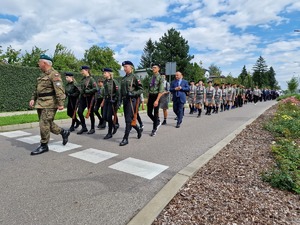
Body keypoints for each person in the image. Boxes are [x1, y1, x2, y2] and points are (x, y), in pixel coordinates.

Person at [29, 54, 70, 155]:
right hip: (40, 103)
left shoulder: (54, 74)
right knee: (48, 124)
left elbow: (59, 89)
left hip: (50, 103)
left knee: (44, 124)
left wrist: (61, 103)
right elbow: (37, 89)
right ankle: (63, 132)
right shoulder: (42, 76)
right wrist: (33, 99)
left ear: (45, 63)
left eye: (39, 62)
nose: (38, 64)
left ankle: (44, 145)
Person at [119, 61, 143, 146]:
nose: (124, 68)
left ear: (131, 67)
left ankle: (125, 138)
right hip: (125, 100)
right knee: (128, 119)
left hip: (132, 100)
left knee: (128, 120)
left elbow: (141, 89)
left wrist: (132, 93)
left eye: (126, 66)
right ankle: (138, 129)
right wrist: (119, 102)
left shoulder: (135, 77)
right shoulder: (123, 78)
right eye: (124, 67)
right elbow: (121, 92)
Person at [77, 66, 97, 135]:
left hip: (90, 98)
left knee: (91, 113)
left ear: (87, 70)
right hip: (83, 98)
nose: (81, 72)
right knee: (79, 112)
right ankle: (84, 127)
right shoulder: (83, 79)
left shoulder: (91, 79)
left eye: (82, 70)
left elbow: (96, 89)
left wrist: (88, 91)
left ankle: (92, 128)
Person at [101, 68, 120, 139]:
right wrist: (103, 101)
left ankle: (109, 133)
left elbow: (118, 92)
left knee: (109, 117)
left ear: (109, 73)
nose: (104, 74)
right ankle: (114, 126)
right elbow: (105, 93)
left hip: (112, 101)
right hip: (106, 100)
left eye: (105, 73)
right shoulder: (105, 82)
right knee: (104, 116)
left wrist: (115, 100)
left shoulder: (114, 81)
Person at [147, 63, 164, 136]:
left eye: (155, 67)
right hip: (151, 96)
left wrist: (157, 100)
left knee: (156, 113)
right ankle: (157, 121)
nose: (153, 69)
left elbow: (161, 90)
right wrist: (148, 98)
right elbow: (149, 88)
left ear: (158, 69)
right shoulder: (151, 77)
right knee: (149, 113)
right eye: (152, 67)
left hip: (156, 96)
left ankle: (154, 129)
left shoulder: (160, 78)